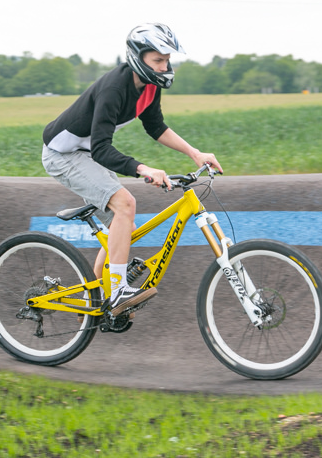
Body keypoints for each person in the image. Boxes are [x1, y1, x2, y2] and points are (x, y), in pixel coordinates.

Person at [42, 23, 223, 316]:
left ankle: (100, 296)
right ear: (138, 58)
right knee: (126, 204)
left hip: (86, 154)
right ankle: (118, 291)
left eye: (167, 60)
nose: (165, 67)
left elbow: (156, 127)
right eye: (158, 61)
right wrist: (143, 169)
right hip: (63, 155)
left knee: (123, 227)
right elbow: (101, 148)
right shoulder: (114, 88)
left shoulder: (149, 87)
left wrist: (194, 153)